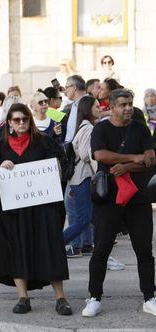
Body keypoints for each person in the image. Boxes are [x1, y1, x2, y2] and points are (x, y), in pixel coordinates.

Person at [0, 103, 72, 315]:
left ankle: (61, 298)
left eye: (25, 119)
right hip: (14, 210)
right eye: (17, 120)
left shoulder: (44, 141)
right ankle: (23, 297)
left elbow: (59, 166)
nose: (22, 123)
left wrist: (56, 168)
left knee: (50, 247)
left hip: (43, 207)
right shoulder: (1, 146)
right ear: (9, 123)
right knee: (18, 248)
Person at [82, 89, 156, 317]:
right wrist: (134, 158)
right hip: (108, 199)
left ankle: (149, 296)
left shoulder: (140, 127)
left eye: (130, 104)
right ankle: (94, 297)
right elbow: (100, 155)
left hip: (138, 199)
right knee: (101, 249)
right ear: (112, 107)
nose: (128, 108)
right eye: (123, 104)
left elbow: (151, 158)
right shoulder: (101, 128)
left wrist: (126, 167)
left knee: (144, 249)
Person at [62, 96, 99, 258]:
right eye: (96, 107)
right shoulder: (88, 128)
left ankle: (84, 245)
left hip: (80, 178)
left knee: (85, 218)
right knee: (83, 220)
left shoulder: (84, 127)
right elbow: (85, 154)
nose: (99, 109)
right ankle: (56, 243)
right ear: (87, 109)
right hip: (82, 178)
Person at [62, 75, 87, 143]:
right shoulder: (74, 104)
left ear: (74, 87)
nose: (65, 90)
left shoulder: (87, 103)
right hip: (71, 147)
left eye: (66, 87)